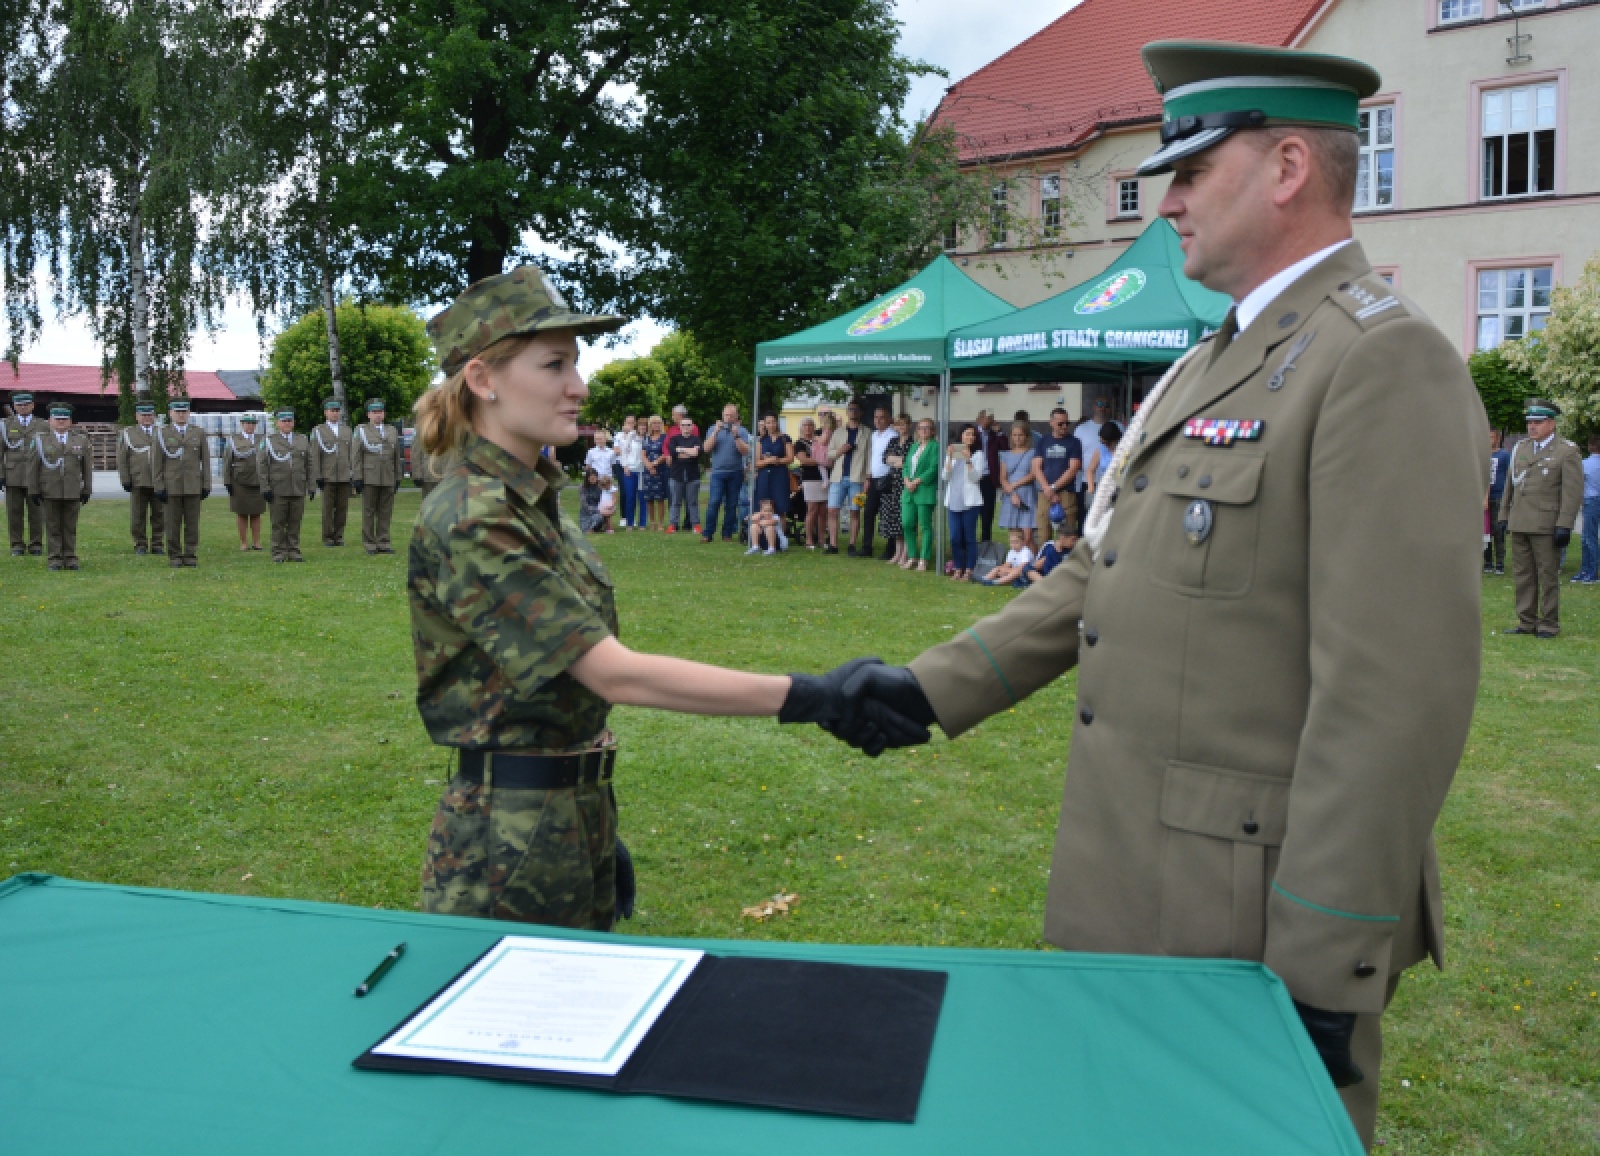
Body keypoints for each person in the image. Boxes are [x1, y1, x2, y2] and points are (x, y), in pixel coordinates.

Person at [807, 41, 1489, 1149]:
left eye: (1188, 172)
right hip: (1135, 884)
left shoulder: (1377, 360)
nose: (1164, 203)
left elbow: (1390, 695)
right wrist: (934, 689)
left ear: (1283, 169)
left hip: (1246, 923)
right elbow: (1107, 562)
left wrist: (1322, 963)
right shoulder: (1224, 354)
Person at [406, 264, 889, 929]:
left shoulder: (533, 503)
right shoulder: (474, 515)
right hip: (506, 842)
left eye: (575, 364)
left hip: (560, 816)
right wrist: (813, 697)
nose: (578, 387)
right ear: (483, 380)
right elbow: (611, 671)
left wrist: (579, 819)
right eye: (553, 366)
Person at [1497, 399, 1583, 638]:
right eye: (1529, 422)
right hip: (1520, 521)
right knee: (1523, 575)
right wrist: (1504, 514)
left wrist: (1565, 524)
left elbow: (1571, 492)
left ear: (1551, 424)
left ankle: (1548, 623)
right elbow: (1509, 486)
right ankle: (1526, 621)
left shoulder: (1566, 451)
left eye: (1538, 422)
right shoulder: (1521, 448)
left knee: (1547, 576)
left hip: (1546, 525)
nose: (1532, 426)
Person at [26, 403, 92, 570]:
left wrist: (87, 489)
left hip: (72, 490)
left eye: (65, 419)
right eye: (58, 419)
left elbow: (86, 468)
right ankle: (54, 558)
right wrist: (33, 490)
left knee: (70, 527)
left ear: (70, 421)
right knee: (53, 526)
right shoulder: (40, 440)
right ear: (50, 420)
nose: (61, 422)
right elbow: (33, 467)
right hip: (50, 490)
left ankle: (70, 558)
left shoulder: (81, 440)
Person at [153, 398, 210, 568]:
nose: (181, 415)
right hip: (172, 486)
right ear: (170, 413)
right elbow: (156, 462)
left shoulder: (198, 433)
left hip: (193, 485)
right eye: (177, 412)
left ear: (189, 413)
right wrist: (159, 485)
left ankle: (190, 554)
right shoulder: (162, 433)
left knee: (192, 524)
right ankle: (175, 555)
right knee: (172, 523)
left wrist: (206, 484)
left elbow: (205, 460)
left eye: (184, 412)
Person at [257, 409, 315, 562]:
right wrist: (265, 487)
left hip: (297, 487)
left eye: (290, 421)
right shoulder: (269, 440)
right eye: (284, 421)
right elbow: (262, 465)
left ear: (294, 422)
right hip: (278, 488)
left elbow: (309, 463)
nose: (287, 423)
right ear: (277, 423)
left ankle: (294, 550)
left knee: (295, 522)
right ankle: (278, 552)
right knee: (278, 522)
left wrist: (311, 485)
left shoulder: (302, 439)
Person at [353, 399, 403, 554]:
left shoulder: (392, 430)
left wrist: (398, 477)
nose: (377, 415)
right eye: (374, 412)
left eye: (380, 412)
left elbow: (396, 456)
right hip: (369, 476)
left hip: (388, 476)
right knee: (369, 511)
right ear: (368, 414)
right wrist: (357, 477)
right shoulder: (361, 430)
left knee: (385, 511)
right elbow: (356, 455)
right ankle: (369, 543)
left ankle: (384, 542)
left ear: (384, 413)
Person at [116, 401, 165, 556]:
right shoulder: (128, 433)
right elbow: (122, 458)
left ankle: (157, 544)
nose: (147, 418)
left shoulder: (162, 432)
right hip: (138, 480)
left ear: (154, 416)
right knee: (138, 515)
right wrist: (125, 479)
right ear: (137, 416)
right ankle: (140, 544)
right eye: (143, 415)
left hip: (159, 481)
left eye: (149, 415)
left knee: (160, 514)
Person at [2, 391, 45, 556]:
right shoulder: (5, 425)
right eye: (19, 404)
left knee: (36, 513)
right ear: (14, 406)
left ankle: (36, 545)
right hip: (13, 475)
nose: (23, 407)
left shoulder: (42, 425)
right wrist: (1, 475)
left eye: (26, 404)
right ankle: (17, 545)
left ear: (33, 405)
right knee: (14, 512)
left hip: (36, 476)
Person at [701, 403, 751, 543]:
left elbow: (745, 451)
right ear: (722, 416)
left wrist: (736, 436)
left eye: (731, 415)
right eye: (726, 415)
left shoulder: (742, 431)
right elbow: (706, 448)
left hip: (735, 472)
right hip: (718, 472)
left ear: (736, 416)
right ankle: (708, 533)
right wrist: (716, 432)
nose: (728, 418)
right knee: (714, 502)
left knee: (731, 504)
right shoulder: (713, 429)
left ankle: (727, 533)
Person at [944, 424, 987, 581]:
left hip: (970, 502)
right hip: (953, 501)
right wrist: (949, 457)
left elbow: (975, 478)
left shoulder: (978, 455)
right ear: (961, 436)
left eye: (973, 435)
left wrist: (968, 460)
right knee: (955, 537)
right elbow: (945, 477)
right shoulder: (953, 453)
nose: (971, 437)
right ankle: (957, 567)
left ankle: (969, 569)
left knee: (969, 537)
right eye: (967, 434)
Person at [1033, 408, 1082, 543]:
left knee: (1068, 537)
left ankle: (1066, 563)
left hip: (1066, 493)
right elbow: (1036, 467)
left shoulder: (1074, 442)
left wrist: (1052, 488)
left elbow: (1073, 469)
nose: (1065, 426)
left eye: (1067, 423)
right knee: (1043, 535)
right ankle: (1045, 563)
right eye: (1061, 424)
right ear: (1051, 423)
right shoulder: (1043, 441)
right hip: (1044, 494)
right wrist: (1046, 488)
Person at [310, 399, 355, 547]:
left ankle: (339, 536)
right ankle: (328, 537)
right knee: (328, 509)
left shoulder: (347, 430)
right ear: (325, 413)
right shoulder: (318, 430)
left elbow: (351, 454)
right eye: (331, 411)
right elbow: (315, 455)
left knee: (342, 508)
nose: (334, 413)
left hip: (343, 475)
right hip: (327, 475)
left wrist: (352, 473)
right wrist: (317, 476)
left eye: (336, 411)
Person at [825, 400, 867, 554]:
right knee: (832, 510)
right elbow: (829, 453)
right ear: (847, 412)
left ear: (861, 412)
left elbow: (869, 457)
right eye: (850, 409)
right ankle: (833, 545)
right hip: (837, 478)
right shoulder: (838, 432)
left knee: (855, 511)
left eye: (856, 409)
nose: (853, 412)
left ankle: (852, 545)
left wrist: (867, 479)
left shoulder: (867, 432)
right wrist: (839, 451)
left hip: (858, 479)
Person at [900, 418, 939, 572]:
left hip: (924, 489)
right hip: (909, 491)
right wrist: (906, 480)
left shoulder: (934, 446)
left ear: (932, 431)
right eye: (921, 428)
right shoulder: (914, 446)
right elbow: (906, 466)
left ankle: (924, 558)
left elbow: (934, 468)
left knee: (925, 526)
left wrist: (916, 481)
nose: (923, 430)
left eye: (927, 428)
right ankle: (912, 556)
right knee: (907, 523)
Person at [222, 413, 266, 551]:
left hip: (258, 481)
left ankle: (257, 542)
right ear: (242, 424)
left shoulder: (262, 439)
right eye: (247, 423)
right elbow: (227, 461)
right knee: (241, 513)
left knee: (256, 513)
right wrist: (227, 481)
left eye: (253, 423)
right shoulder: (234, 440)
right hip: (239, 481)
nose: (250, 426)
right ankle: (243, 542)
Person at [997, 420, 1038, 548]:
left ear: (1026, 436)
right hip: (1011, 497)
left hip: (1027, 496)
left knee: (1027, 538)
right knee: (1015, 538)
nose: (1017, 438)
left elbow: (1033, 474)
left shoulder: (1033, 452)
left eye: (1020, 435)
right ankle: (1016, 564)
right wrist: (1012, 492)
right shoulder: (1005, 454)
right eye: (1014, 435)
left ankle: (1033, 565)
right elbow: (1003, 478)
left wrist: (1013, 485)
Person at [662, 405, 701, 532]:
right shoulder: (674, 439)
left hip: (693, 474)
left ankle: (696, 524)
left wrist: (682, 450)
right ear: (680, 426)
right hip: (676, 474)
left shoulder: (697, 439)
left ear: (692, 426)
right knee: (675, 501)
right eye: (683, 425)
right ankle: (673, 524)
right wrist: (688, 451)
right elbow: (673, 452)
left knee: (692, 502)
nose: (686, 427)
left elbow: (696, 454)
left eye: (688, 425)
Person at [878, 414, 909, 566]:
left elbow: (908, 461)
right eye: (898, 425)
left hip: (905, 483)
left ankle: (905, 554)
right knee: (894, 521)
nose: (901, 428)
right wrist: (898, 460)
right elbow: (885, 458)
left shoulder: (912, 442)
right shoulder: (893, 440)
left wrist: (896, 460)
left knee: (905, 521)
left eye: (903, 425)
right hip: (892, 485)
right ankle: (897, 553)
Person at [751, 412, 793, 525]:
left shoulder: (785, 438)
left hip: (780, 475)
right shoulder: (761, 440)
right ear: (765, 424)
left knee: (780, 508)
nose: (771, 425)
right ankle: (763, 536)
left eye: (773, 422)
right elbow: (756, 462)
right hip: (764, 476)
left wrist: (778, 460)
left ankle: (782, 537)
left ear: (777, 422)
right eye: (768, 422)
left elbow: (790, 458)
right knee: (762, 506)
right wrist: (767, 461)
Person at [1074, 397, 1110, 526]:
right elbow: (1076, 455)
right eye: (1099, 404)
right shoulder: (1082, 429)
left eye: (1106, 405)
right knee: (1085, 520)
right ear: (1094, 407)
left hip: (1109, 482)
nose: (1103, 408)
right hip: (1087, 481)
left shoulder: (1117, 427)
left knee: (1106, 520)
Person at [794, 417, 828, 549]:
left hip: (823, 477)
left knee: (823, 510)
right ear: (801, 428)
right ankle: (809, 539)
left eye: (810, 425)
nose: (808, 428)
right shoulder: (799, 443)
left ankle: (821, 539)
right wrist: (821, 460)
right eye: (805, 425)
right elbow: (804, 460)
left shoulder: (819, 440)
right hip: (810, 478)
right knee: (812, 509)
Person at [1485, 427, 1510, 575]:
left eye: (1492, 437)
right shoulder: (1483, 455)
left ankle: (1499, 562)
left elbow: (1509, 474)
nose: (1490, 441)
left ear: (1498, 438)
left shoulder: (1504, 455)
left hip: (1498, 496)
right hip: (1485, 497)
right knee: (1486, 531)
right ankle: (1488, 561)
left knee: (1499, 530)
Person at [1576, 435, 1600, 586]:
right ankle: (1588, 570)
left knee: (1588, 538)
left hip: (1590, 500)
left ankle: (1590, 571)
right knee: (1589, 537)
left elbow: (1579, 483)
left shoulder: (1585, 464)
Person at [639, 415, 670, 530]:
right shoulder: (646, 438)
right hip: (648, 471)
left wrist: (655, 463)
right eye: (653, 423)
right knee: (649, 498)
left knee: (660, 498)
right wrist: (648, 464)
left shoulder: (665, 437)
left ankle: (661, 523)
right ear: (650, 425)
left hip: (661, 470)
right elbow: (642, 454)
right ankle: (652, 522)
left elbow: (666, 452)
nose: (656, 425)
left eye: (658, 423)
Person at [614, 416, 643, 529]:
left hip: (634, 466)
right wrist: (626, 448)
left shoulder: (637, 435)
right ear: (624, 423)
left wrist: (627, 448)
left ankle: (632, 518)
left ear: (635, 423)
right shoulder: (619, 435)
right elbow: (616, 451)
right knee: (624, 492)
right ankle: (623, 517)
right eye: (628, 422)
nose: (630, 425)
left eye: (632, 423)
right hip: (621, 465)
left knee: (634, 493)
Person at [1084, 422, 1123, 493]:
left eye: (1107, 443)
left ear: (1115, 439)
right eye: (1102, 442)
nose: (1105, 445)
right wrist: (1091, 486)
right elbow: (1090, 470)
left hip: (1123, 487)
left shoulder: (1125, 449)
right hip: (1105, 488)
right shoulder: (1100, 449)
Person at [578, 467, 605, 533]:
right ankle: (592, 529)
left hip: (599, 510)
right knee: (585, 527)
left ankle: (595, 528)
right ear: (587, 478)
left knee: (599, 517)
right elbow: (584, 503)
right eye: (591, 478)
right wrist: (597, 510)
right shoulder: (582, 487)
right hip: (586, 512)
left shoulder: (600, 486)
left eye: (595, 478)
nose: (593, 480)